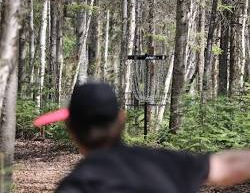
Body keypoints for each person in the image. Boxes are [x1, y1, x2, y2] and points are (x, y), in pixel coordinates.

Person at [33, 82, 250, 193]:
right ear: (121, 120)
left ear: (70, 128)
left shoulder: (76, 186)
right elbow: (227, 166)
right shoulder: (165, 163)